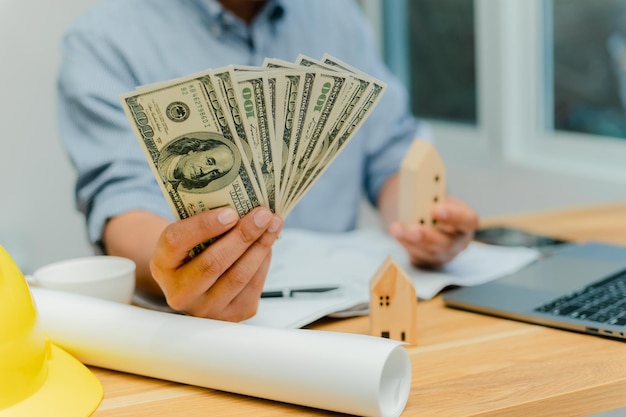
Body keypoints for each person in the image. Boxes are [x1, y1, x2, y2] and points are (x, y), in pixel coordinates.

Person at [58, 0, 479, 321]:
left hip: (346, 320)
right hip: (194, 333)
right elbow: (119, 203)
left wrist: (426, 222)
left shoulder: (338, 17)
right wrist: (183, 269)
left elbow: (390, 151)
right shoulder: (104, 38)